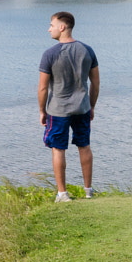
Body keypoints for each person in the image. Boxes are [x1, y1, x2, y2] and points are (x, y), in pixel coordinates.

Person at [37, 10, 100, 202]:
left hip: (58, 110)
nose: (49, 29)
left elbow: (42, 88)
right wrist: (91, 106)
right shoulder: (87, 50)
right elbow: (95, 83)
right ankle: (88, 191)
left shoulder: (50, 54)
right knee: (84, 146)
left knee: (58, 149)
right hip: (82, 107)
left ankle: (62, 194)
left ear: (62, 27)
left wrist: (41, 111)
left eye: (52, 25)